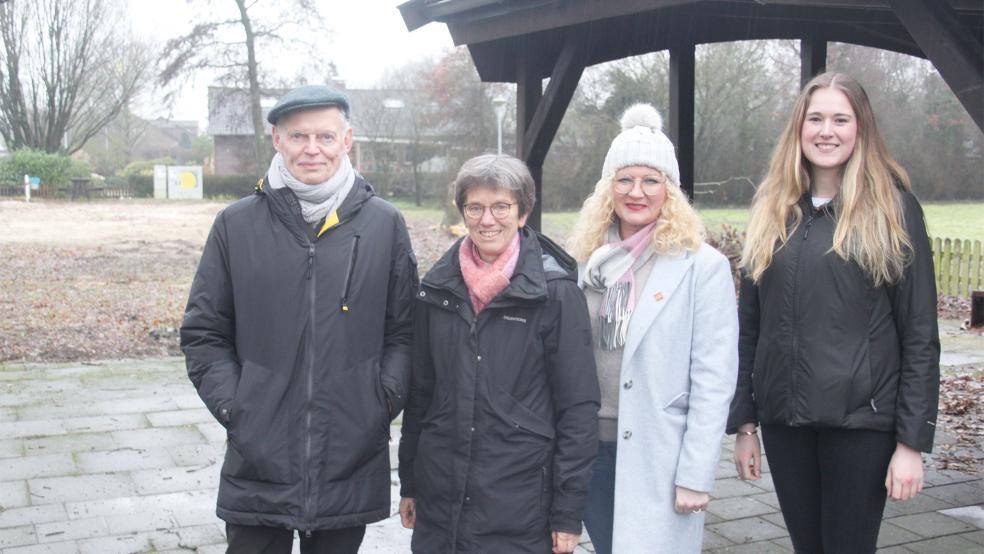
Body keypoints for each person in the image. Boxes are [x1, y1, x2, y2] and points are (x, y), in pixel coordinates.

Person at [180, 85, 418, 553]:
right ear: (277, 139)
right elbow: (204, 332)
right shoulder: (236, 225)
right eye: (298, 136)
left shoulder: (384, 225)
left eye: (325, 137)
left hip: (348, 453)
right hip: (258, 456)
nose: (313, 149)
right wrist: (238, 408)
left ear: (346, 140)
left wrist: (379, 402)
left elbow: (406, 331)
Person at [728, 72, 940, 554]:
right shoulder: (772, 211)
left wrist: (911, 443)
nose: (827, 131)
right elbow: (749, 329)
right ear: (799, 128)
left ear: (861, 128)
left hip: (861, 425)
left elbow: (920, 335)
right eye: (816, 118)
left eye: (841, 120)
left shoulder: (894, 210)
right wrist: (745, 423)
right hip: (785, 423)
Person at [398, 154, 600, 554]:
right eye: (475, 207)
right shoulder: (436, 291)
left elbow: (578, 409)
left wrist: (567, 512)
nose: (487, 219)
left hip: (519, 506)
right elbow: (421, 396)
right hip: (440, 500)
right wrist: (411, 483)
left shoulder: (555, 294)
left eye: (501, 207)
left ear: (523, 213)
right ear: (463, 212)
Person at [567, 104, 739, 554]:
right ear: (608, 188)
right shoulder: (586, 261)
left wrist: (696, 473)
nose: (636, 192)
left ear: (670, 190)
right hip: (591, 448)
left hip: (660, 452)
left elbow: (714, 377)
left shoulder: (702, 267)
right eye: (624, 179)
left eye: (650, 180)